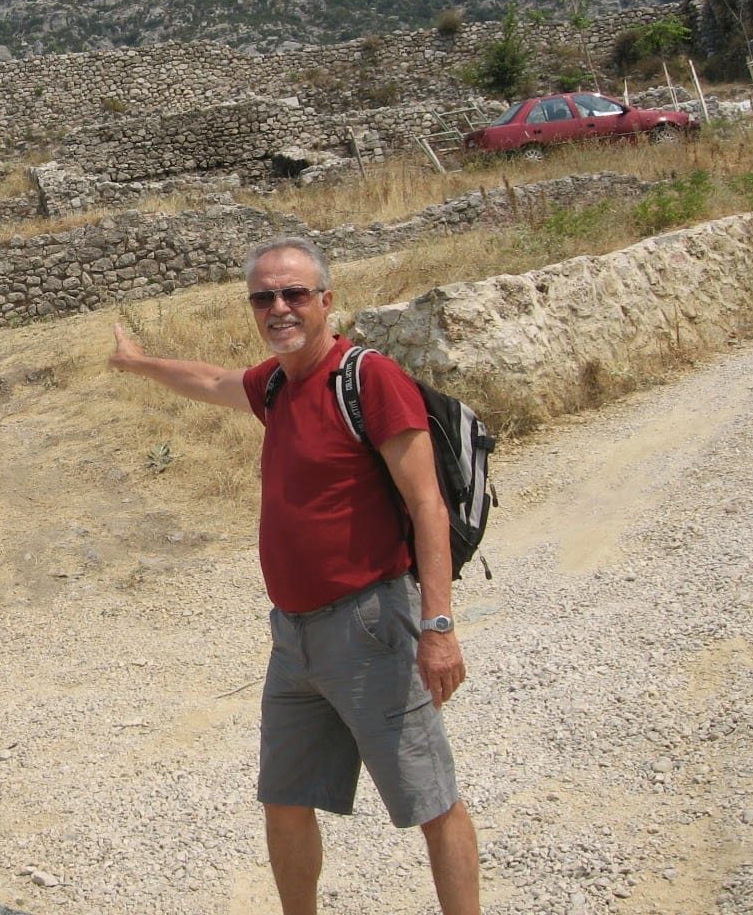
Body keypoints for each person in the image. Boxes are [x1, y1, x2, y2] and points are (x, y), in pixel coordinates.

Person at [108, 234, 479, 915]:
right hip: (294, 637)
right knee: (284, 801)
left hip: (372, 627)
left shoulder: (367, 380)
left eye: (294, 293)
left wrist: (439, 626)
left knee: (431, 801)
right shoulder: (277, 384)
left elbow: (427, 505)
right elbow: (212, 381)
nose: (278, 307)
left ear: (326, 300)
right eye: (263, 297)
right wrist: (136, 363)